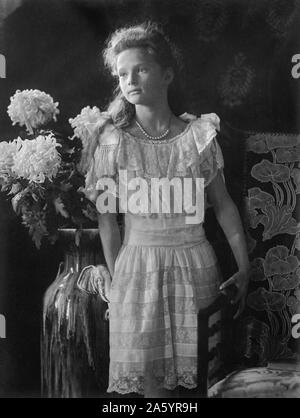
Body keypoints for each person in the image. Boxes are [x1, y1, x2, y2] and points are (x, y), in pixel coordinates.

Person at [81, 21, 250, 398]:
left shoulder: (198, 137)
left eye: (141, 69)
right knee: (149, 389)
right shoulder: (112, 143)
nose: (130, 79)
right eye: (122, 73)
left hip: (195, 264)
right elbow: (107, 221)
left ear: (167, 74)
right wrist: (118, 279)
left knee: (196, 383)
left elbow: (222, 206)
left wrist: (244, 266)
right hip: (137, 270)